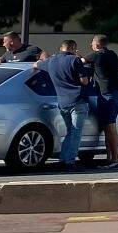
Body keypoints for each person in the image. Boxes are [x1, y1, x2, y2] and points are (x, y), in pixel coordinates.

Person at [43, 39, 91, 167]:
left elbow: (37, 64)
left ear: (61, 47)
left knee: (70, 131)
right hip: (77, 100)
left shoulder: (51, 61)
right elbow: (84, 81)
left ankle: (63, 158)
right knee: (75, 131)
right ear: (74, 48)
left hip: (62, 102)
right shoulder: (74, 60)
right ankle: (69, 160)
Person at [88, 34, 118, 169]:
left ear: (97, 45)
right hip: (117, 95)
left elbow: (80, 61)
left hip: (107, 95)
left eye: (92, 43)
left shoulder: (97, 55)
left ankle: (116, 160)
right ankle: (110, 159)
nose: (91, 45)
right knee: (108, 127)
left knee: (110, 129)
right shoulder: (112, 54)